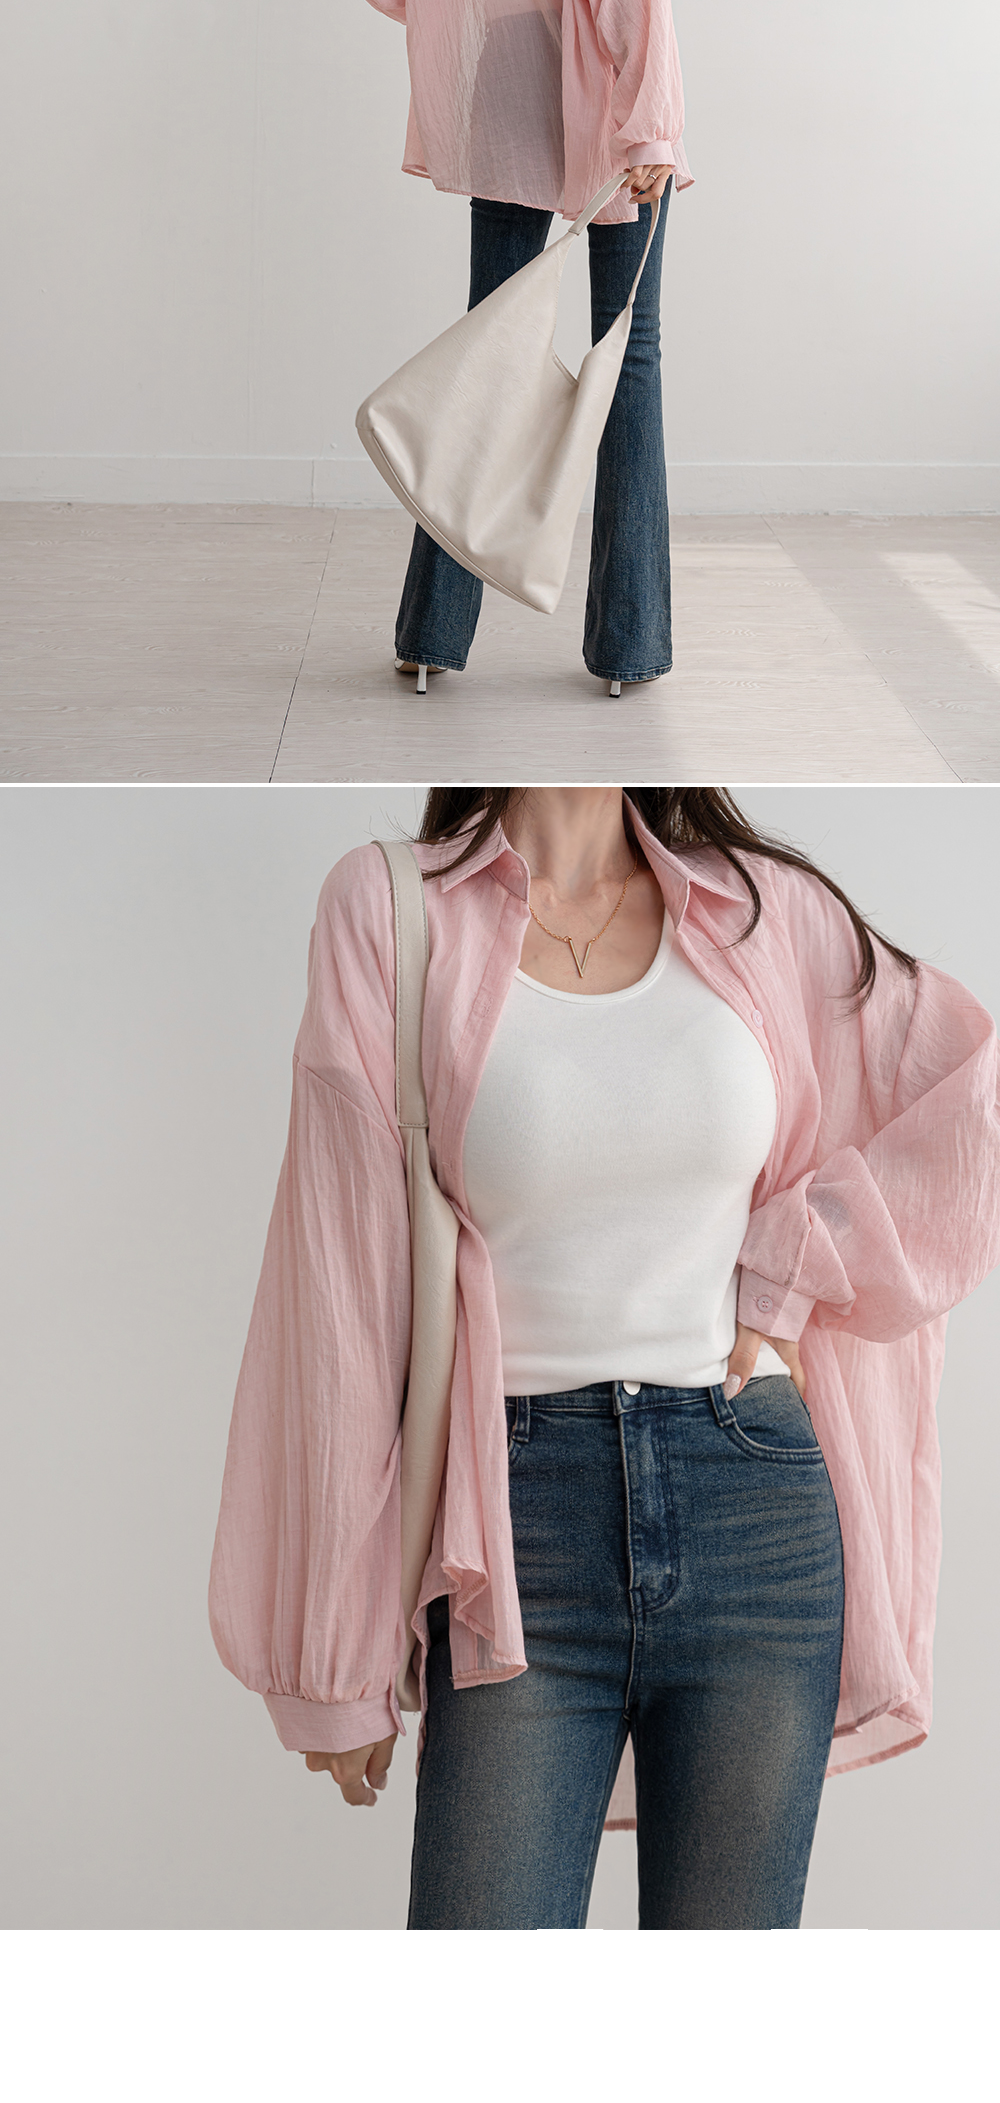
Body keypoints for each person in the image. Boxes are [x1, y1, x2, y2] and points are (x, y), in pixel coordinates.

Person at [209, 783, 1000, 1931]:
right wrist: (333, 1652)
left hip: (753, 1508)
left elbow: (970, 1107)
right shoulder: (390, 906)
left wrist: (788, 1276)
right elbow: (338, 1284)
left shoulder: (764, 910)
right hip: (515, 1523)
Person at [349, 0, 689, 691]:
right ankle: (627, 649)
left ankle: (430, 637)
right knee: (627, 359)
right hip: (608, 112)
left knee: (485, 358)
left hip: (500, 101)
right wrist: (652, 133)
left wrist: (473, 3)